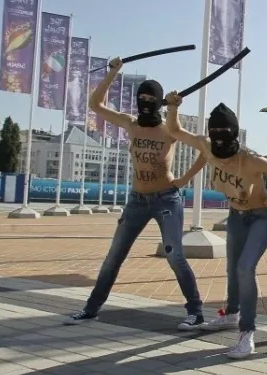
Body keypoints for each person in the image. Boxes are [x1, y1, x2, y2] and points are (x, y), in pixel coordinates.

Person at [66, 57, 207, 330]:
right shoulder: (131, 124)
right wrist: (113, 72)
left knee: (174, 255)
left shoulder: (168, 129)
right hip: (136, 201)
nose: (144, 102)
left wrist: (183, 180)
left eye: (150, 98)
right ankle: (91, 309)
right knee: (114, 256)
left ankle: (196, 312)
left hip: (166, 199)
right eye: (140, 97)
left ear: (159, 102)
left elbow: (204, 149)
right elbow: (95, 105)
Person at [164, 93, 267, 359]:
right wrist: (172, 106)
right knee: (232, 268)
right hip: (237, 215)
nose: (218, 139)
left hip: (262, 216)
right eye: (214, 131)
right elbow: (174, 130)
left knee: (245, 268)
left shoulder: (251, 160)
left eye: (224, 132)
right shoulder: (207, 147)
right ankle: (231, 314)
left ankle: (247, 333)